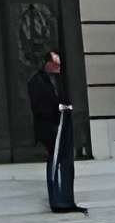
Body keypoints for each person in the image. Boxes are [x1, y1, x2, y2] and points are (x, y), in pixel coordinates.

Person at [27, 47, 86, 214]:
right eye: (55, 64)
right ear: (47, 64)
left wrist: (66, 107)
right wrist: (57, 109)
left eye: (59, 64)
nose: (58, 67)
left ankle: (66, 199)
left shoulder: (59, 81)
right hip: (50, 128)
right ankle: (57, 200)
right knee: (55, 161)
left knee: (66, 162)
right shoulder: (37, 81)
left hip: (63, 125)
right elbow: (39, 106)